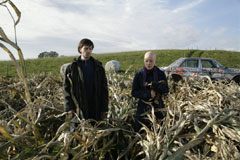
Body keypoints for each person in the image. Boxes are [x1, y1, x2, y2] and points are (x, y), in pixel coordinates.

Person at [63, 38, 108, 121]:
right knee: (80, 130)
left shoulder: (98, 67)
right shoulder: (72, 68)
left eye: (90, 49)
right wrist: (69, 107)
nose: (88, 51)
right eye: (86, 48)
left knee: (95, 128)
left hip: (95, 105)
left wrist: (104, 108)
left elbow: (104, 89)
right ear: (80, 49)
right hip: (79, 106)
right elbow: (66, 89)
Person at [131, 51, 169, 132]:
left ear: (155, 61)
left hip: (158, 107)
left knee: (160, 130)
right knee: (138, 129)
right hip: (143, 107)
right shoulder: (139, 74)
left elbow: (166, 90)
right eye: (146, 61)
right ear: (144, 61)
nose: (148, 63)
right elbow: (133, 92)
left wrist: (157, 87)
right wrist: (148, 94)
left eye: (151, 61)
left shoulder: (160, 74)